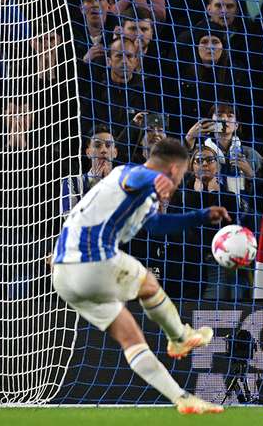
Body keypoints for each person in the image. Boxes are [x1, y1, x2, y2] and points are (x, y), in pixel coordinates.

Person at [50, 138, 229, 414]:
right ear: (173, 169)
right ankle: (180, 336)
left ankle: (181, 398)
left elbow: (157, 225)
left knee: (131, 338)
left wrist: (201, 216)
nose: (180, 181)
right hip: (90, 258)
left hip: (64, 276)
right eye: (181, 174)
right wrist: (154, 180)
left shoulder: (143, 198)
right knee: (148, 282)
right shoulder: (129, 173)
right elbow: (136, 178)